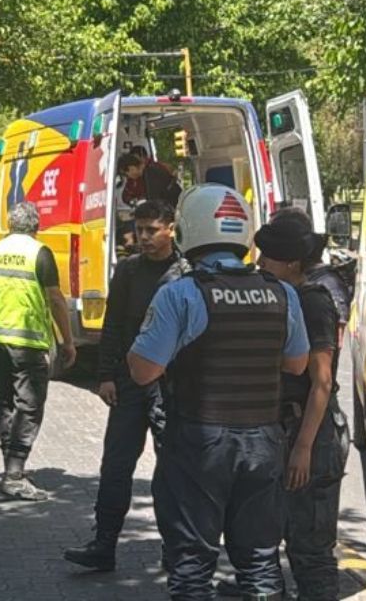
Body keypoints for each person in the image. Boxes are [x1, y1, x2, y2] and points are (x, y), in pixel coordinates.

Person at [127, 183, 310, 600]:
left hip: (199, 443)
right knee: (261, 561)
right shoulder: (282, 293)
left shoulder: (181, 293)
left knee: (192, 564)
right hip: (263, 442)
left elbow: (143, 371)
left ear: (189, 231)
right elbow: (297, 364)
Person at [64, 199, 190, 569]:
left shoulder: (186, 272)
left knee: (173, 469)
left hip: (171, 386)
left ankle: (176, 550)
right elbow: (114, 325)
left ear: (171, 227)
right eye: (140, 230)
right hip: (130, 382)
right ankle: (104, 544)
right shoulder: (129, 272)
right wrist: (105, 376)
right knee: (116, 465)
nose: (144, 237)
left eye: (152, 230)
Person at [251, 211, 348, 601]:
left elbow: (321, 381)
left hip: (311, 434)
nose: (259, 263)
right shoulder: (283, 296)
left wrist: (304, 448)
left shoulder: (312, 301)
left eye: (268, 256)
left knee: (310, 548)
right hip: (285, 431)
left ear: (291, 261)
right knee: (271, 537)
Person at [0, 202, 75, 500]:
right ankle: (14, 474)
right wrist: (67, 341)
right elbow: (55, 299)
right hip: (30, 341)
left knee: (5, 401)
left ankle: (11, 465)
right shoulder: (40, 253)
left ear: (11, 225)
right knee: (29, 405)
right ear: (35, 226)